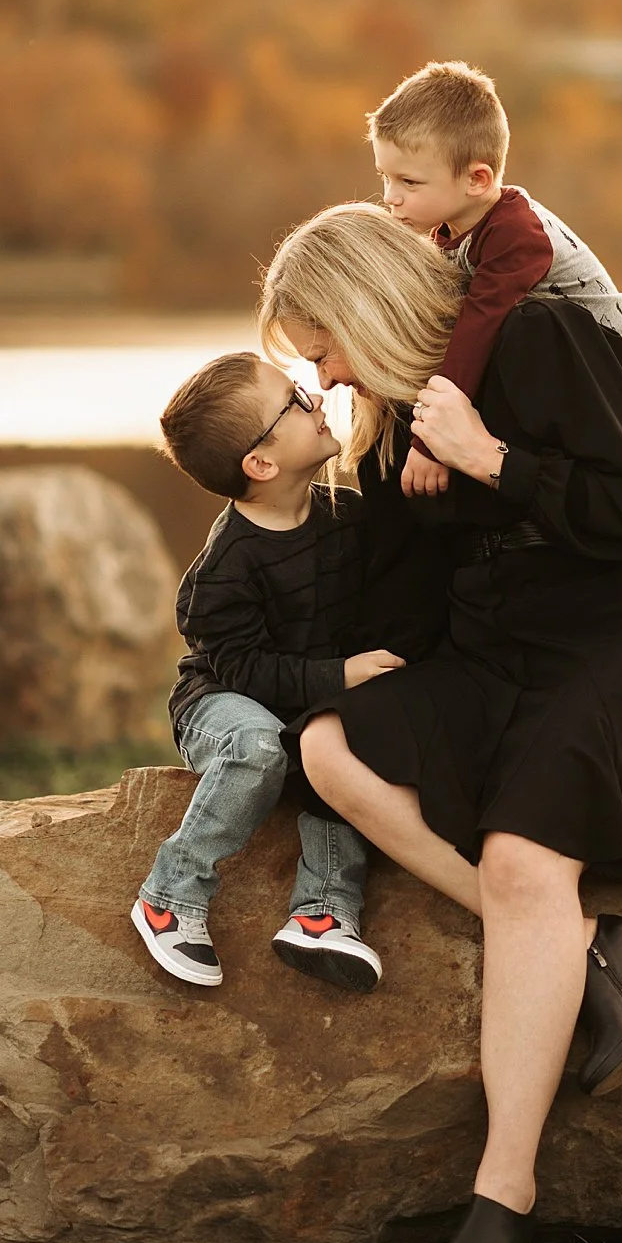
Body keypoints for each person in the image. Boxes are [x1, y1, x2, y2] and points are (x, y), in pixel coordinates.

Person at [259, 204, 622, 1243]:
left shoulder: (543, 337)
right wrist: (294, 559)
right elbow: (411, 606)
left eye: (323, 349)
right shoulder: (392, 424)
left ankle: (505, 1189)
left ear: (365, 307)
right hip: (498, 656)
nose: (328, 377)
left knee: (521, 857)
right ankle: (592, 945)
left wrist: (489, 456)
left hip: (614, 646)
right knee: (330, 747)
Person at [368, 59, 622, 712]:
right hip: (597, 408)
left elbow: (477, 330)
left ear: (478, 178)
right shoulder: (448, 229)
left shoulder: (516, 236)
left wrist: (436, 437)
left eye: (407, 182)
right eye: (384, 178)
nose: (390, 197)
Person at [130, 350, 403, 994]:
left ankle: (321, 916)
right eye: (295, 400)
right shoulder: (225, 570)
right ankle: (170, 895)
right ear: (261, 462)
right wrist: (339, 676)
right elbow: (246, 670)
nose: (316, 396)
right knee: (258, 747)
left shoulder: (345, 516)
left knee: (341, 749)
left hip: (304, 700)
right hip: (223, 699)